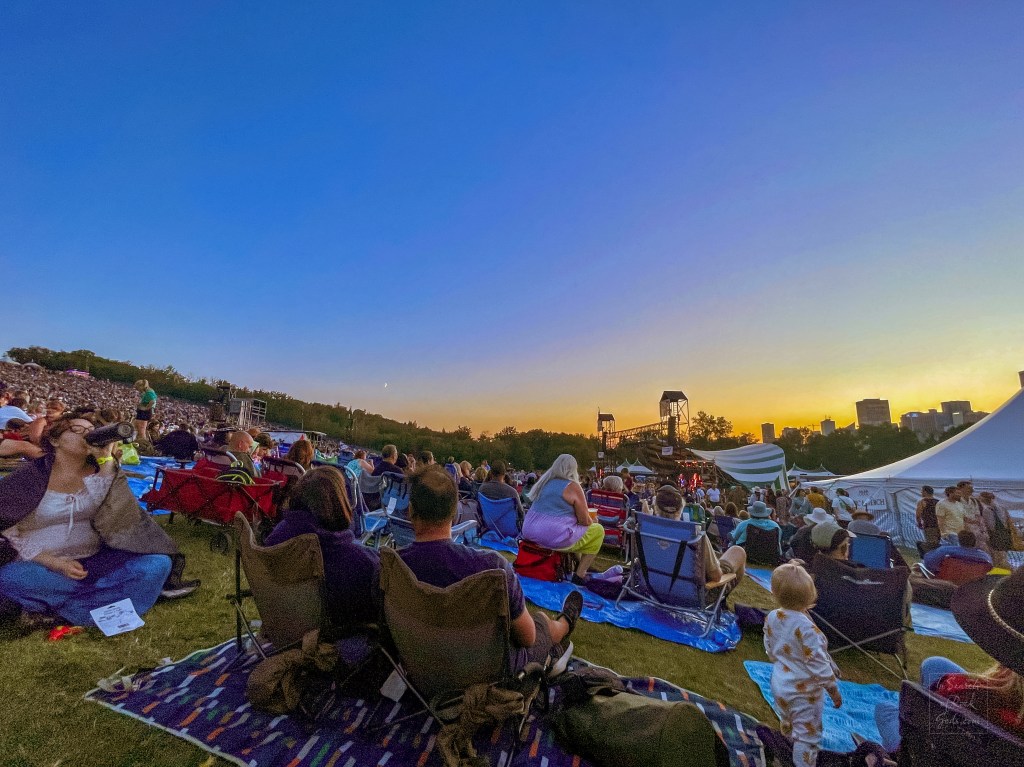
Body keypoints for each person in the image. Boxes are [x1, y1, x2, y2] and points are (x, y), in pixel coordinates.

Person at [0, 413, 196, 629]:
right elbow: (9, 530)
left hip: (95, 561)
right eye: (77, 430)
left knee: (157, 564)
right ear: (55, 440)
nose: (87, 435)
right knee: (11, 577)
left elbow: (120, 513)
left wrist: (106, 461)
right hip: (43, 566)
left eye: (90, 431)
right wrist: (55, 563)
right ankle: (103, 604)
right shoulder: (31, 476)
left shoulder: (103, 472)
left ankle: (59, 609)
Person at [398, 465, 583, 676]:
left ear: (410, 511)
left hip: (418, 665)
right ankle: (565, 625)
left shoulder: (392, 565)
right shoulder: (492, 567)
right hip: (486, 673)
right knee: (540, 623)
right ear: (455, 512)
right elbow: (527, 638)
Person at [874, 561, 1024, 750]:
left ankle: (897, 745)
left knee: (885, 710)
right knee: (935, 665)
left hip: (929, 750)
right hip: (979, 739)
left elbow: (931, 561)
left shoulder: (967, 695)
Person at [263, 467, 379, 630]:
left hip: (284, 628)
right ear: (339, 502)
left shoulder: (277, 538)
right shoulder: (362, 562)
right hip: (335, 637)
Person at [764, 563, 842, 767]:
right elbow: (819, 663)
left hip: (780, 685)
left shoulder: (772, 617)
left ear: (774, 592)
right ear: (810, 596)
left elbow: (770, 648)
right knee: (808, 736)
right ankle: (802, 762)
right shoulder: (808, 629)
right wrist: (832, 689)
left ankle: (786, 748)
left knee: (788, 720)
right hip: (804, 693)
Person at [522, 454, 605, 584]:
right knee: (598, 530)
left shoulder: (543, 483)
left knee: (575, 530)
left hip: (529, 531)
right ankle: (580, 575)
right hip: (551, 536)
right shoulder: (573, 486)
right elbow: (584, 520)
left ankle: (578, 563)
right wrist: (593, 521)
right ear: (573, 469)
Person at [478, 460, 526, 528]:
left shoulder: (482, 489)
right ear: (504, 474)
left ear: (491, 473)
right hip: (509, 528)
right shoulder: (512, 492)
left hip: (489, 526)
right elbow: (521, 513)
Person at [922, 529, 993, 575]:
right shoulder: (986, 557)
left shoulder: (945, 551)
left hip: (947, 584)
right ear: (975, 542)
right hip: (974, 586)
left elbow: (928, 562)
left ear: (959, 541)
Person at [979, 491, 1013, 570]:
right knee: (1002, 553)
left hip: (995, 534)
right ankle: (1003, 568)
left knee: (997, 554)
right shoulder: (1000, 507)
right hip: (1002, 533)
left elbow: (990, 525)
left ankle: (1000, 568)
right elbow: (1005, 521)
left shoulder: (986, 509)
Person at [914, 485, 941, 551]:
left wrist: (919, 523)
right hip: (937, 525)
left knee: (932, 543)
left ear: (925, 492)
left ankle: (921, 546)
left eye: (922, 491)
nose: (921, 493)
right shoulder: (938, 502)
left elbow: (918, 514)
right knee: (935, 542)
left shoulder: (922, 502)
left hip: (929, 524)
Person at [132, 380, 157, 445]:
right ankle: (138, 442)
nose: (137, 390)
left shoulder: (149, 392)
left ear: (142, 386)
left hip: (144, 413)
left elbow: (152, 401)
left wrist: (146, 408)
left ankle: (144, 445)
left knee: (141, 430)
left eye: (137, 388)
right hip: (142, 412)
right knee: (136, 427)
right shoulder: (147, 391)